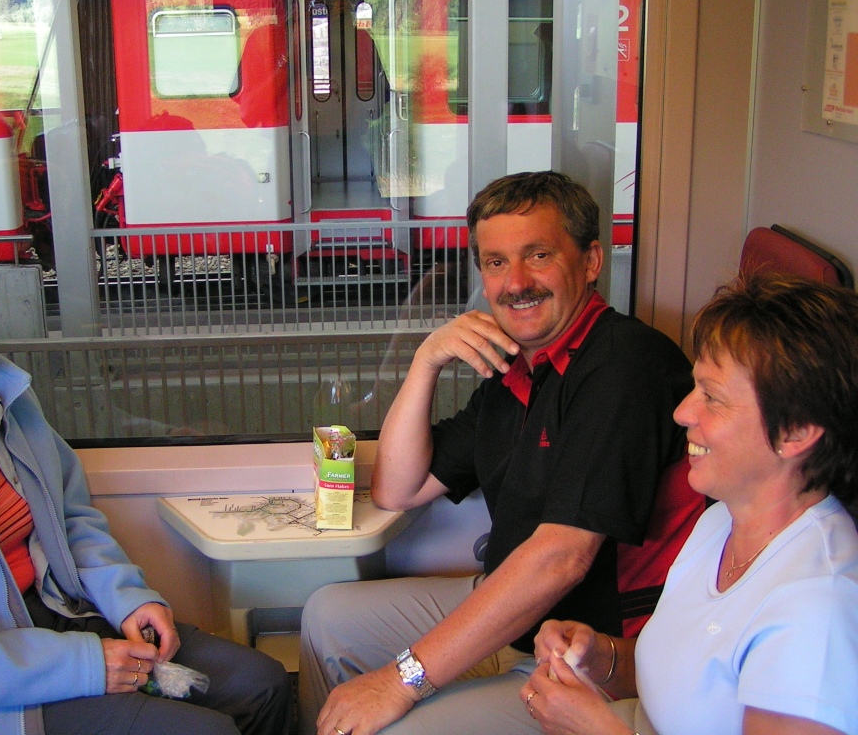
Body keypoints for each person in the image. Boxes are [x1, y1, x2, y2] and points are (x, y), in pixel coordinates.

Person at [0, 207, 293, 735]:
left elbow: (70, 518)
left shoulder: (1, 397)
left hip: (59, 614)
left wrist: (128, 596)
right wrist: (84, 664)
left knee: (263, 685)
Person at [298, 171, 702, 735]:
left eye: (538, 255)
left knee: (397, 726)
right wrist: (427, 360)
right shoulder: (518, 367)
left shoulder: (623, 367)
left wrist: (399, 682)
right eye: (495, 262)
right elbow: (398, 488)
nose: (516, 283)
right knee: (327, 616)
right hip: (515, 610)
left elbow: (561, 558)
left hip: (588, 650)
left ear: (590, 261)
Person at [519, 273, 858, 735]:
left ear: (795, 431)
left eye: (712, 398)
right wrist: (600, 656)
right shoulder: (719, 521)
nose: (682, 412)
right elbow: (683, 680)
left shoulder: (817, 608)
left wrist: (597, 729)